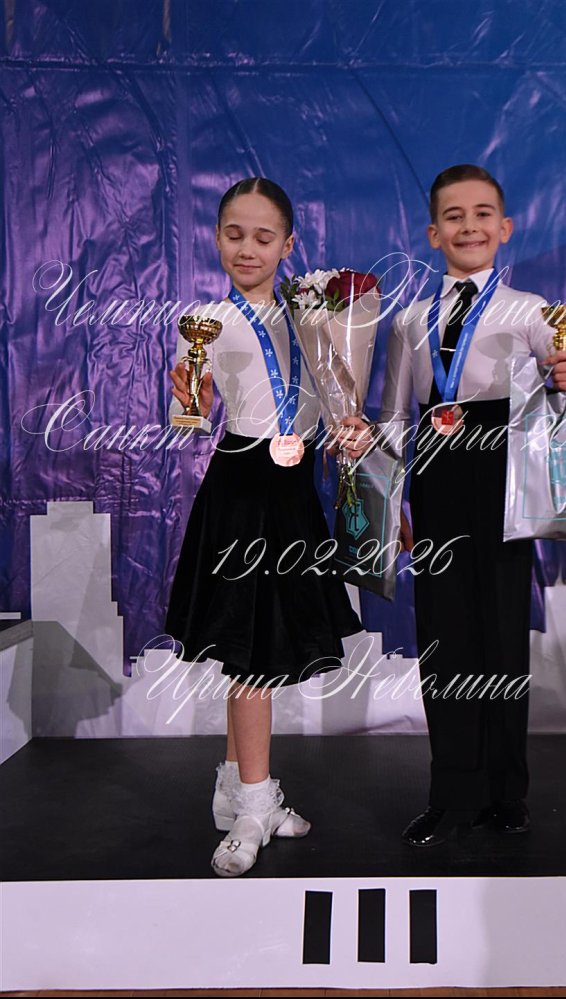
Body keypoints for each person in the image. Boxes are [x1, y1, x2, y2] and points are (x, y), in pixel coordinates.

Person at [376, 164, 566, 846]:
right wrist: (389, 498)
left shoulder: (531, 311)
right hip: (436, 477)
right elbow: (393, 416)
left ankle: (506, 791)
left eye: (481, 215)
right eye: (454, 216)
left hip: (506, 477)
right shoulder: (409, 321)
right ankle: (451, 792)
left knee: (501, 635)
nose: (468, 226)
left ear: (503, 229)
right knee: (444, 637)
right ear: (432, 233)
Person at [165, 177, 363, 876]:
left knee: (261, 646)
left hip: (295, 489)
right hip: (243, 490)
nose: (247, 248)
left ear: (288, 243)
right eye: (234, 234)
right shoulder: (204, 320)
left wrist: (349, 424)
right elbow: (189, 420)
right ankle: (255, 804)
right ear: (217, 238)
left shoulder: (313, 314)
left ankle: (236, 789)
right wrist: (189, 388)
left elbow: (335, 394)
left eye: (262, 236)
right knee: (251, 652)